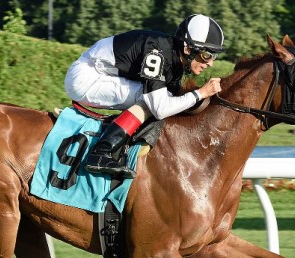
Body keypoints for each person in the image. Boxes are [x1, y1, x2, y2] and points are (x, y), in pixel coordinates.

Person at [65, 14, 224, 178]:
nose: (210, 63)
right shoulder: (157, 52)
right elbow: (160, 109)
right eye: (206, 55)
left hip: (103, 74)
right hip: (85, 78)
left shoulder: (175, 62)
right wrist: (200, 93)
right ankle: (101, 152)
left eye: (214, 56)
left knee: (164, 98)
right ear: (188, 49)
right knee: (152, 102)